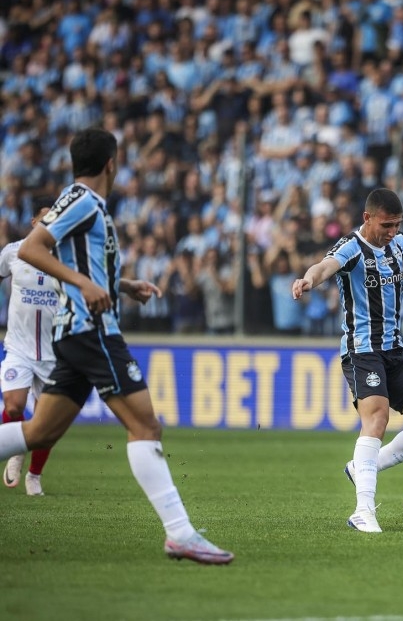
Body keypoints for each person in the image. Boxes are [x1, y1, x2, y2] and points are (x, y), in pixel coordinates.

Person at [0, 128, 233, 564]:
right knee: (145, 427)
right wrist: (86, 283)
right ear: (112, 163)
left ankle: (181, 534)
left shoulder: (81, 202)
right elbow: (32, 249)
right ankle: (180, 534)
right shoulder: (84, 201)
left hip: (72, 334)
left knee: (40, 432)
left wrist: (123, 285)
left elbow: (71, 261)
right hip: (92, 332)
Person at [291, 187, 403, 534]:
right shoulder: (351, 248)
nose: (393, 231)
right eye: (387, 225)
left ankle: (362, 467)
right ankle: (363, 510)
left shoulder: (396, 243)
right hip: (362, 350)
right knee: (377, 419)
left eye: (398, 224)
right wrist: (308, 279)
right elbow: (324, 267)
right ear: (367, 218)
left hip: (395, 350)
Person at [1, 200, 59, 495]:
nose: (51, 224)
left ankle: (34, 476)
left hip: (52, 354)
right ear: (35, 222)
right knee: (13, 406)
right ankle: (15, 449)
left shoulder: (64, 260)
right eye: (46, 219)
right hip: (19, 349)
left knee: (47, 422)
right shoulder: (13, 252)